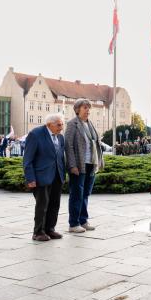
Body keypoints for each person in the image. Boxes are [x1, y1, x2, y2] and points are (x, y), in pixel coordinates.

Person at [23, 114, 65, 241]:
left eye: (62, 124)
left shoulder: (61, 137)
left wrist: (63, 174)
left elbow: (60, 158)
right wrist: (30, 179)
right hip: (41, 176)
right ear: (49, 124)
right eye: (58, 125)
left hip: (57, 175)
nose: (61, 127)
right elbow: (27, 159)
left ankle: (50, 229)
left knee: (54, 204)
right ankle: (38, 232)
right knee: (42, 205)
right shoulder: (36, 134)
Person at [64, 98, 104, 233]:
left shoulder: (90, 124)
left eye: (89, 108)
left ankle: (83, 220)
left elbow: (96, 145)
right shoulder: (72, 124)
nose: (88, 110)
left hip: (91, 164)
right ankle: (73, 223)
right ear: (77, 110)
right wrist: (72, 165)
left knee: (85, 193)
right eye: (85, 108)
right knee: (77, 194)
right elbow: (68, 146)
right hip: (79, 165)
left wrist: (99, 161)